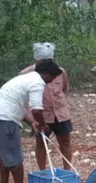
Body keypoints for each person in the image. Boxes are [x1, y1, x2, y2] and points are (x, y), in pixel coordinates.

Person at [0, 60, 63, 183]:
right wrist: (43, 124)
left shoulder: (24, 79)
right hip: (4, 121)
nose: (51, 81)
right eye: (52, 77)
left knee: (5, 155)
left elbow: (23, 107)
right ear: (46, 74)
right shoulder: (37, 82)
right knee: (15, 158)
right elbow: (37, 110)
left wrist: (33, 122)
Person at [20, 42, 73, 171]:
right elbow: (24, 99)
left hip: (61, 114)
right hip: (41, 115)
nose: (47, 63)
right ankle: (43, 172)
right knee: (41, 143)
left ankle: (68, 171)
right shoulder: (26, 74)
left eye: (50, 60)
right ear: (37, 60)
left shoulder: (60, 72)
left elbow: (64, 89)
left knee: (65, 141)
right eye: (44, 60)